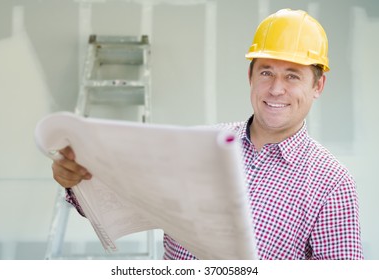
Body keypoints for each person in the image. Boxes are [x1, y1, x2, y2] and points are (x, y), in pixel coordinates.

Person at [51, 9, 364, 259]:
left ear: (317, 86)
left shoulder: (331, 183)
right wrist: (77, 179)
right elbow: (124, 198)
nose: (276, 88)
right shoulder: (198, 145)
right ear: (250, 76)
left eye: (292, 75)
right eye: (266, 71)